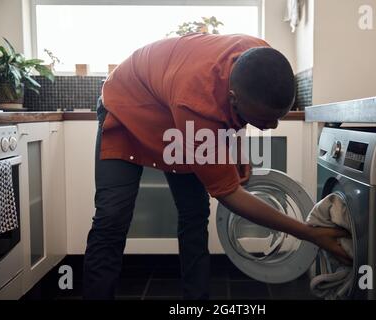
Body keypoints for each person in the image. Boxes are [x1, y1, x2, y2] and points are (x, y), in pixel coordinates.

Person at [83, 33, 350, 300]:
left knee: (194, 214)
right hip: (126, 105)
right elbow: (228, 194)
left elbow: (233, 110)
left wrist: (237, 147)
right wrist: (308, 234)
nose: (272, 126)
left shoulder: (259, 54)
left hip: (174, 104)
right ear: (234, 98)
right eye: (265, 119)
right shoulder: (196, 107)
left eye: (277, 117)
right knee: (112, 218)